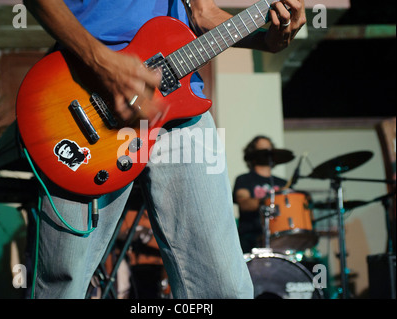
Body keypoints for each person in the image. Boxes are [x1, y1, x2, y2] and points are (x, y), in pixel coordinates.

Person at [23, 0, 307, 298]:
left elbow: (202, 13)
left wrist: (264, 39)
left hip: (179, 104)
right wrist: (103, 63)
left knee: (223, 287)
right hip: (83, 91)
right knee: (63, 282)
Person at [233, 135, 289, 253]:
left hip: (279, 236)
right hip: (251, 238)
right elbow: (244, 203)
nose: (267, 153)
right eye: (262, 150)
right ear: (253, 154)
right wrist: (270, 200)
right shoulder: (244, 179)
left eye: (269, 149)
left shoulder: (283, 183)